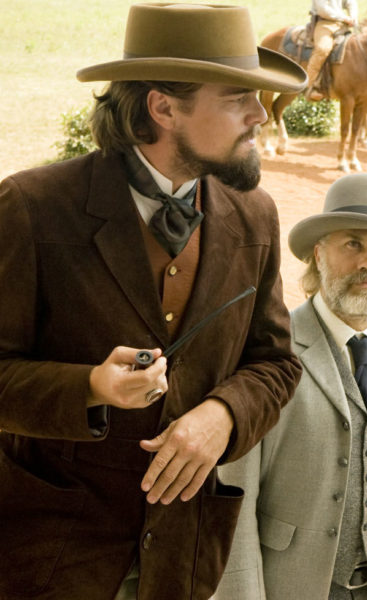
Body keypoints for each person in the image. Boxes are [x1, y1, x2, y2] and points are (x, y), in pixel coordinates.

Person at [0, 4, 306, 599]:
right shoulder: (32, 207)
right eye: (238, 97)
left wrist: (224, 415)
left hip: (183, 562)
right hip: (49, 561)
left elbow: (276, 363)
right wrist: (90, 386)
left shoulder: (255, 214)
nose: (261, 114)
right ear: (163, 108)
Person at [213, 173, 367, 600]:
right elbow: (235, 497)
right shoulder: (265, 347)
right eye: (353, 244)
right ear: (319, 254)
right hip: (294, 587)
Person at [304, 0, 358, 102]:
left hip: (342, 26)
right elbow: (323, 10)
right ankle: (309, 85)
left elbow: (350, 2)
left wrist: (353, 16)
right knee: (323, 49)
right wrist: (344, 18)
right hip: (324, 24)